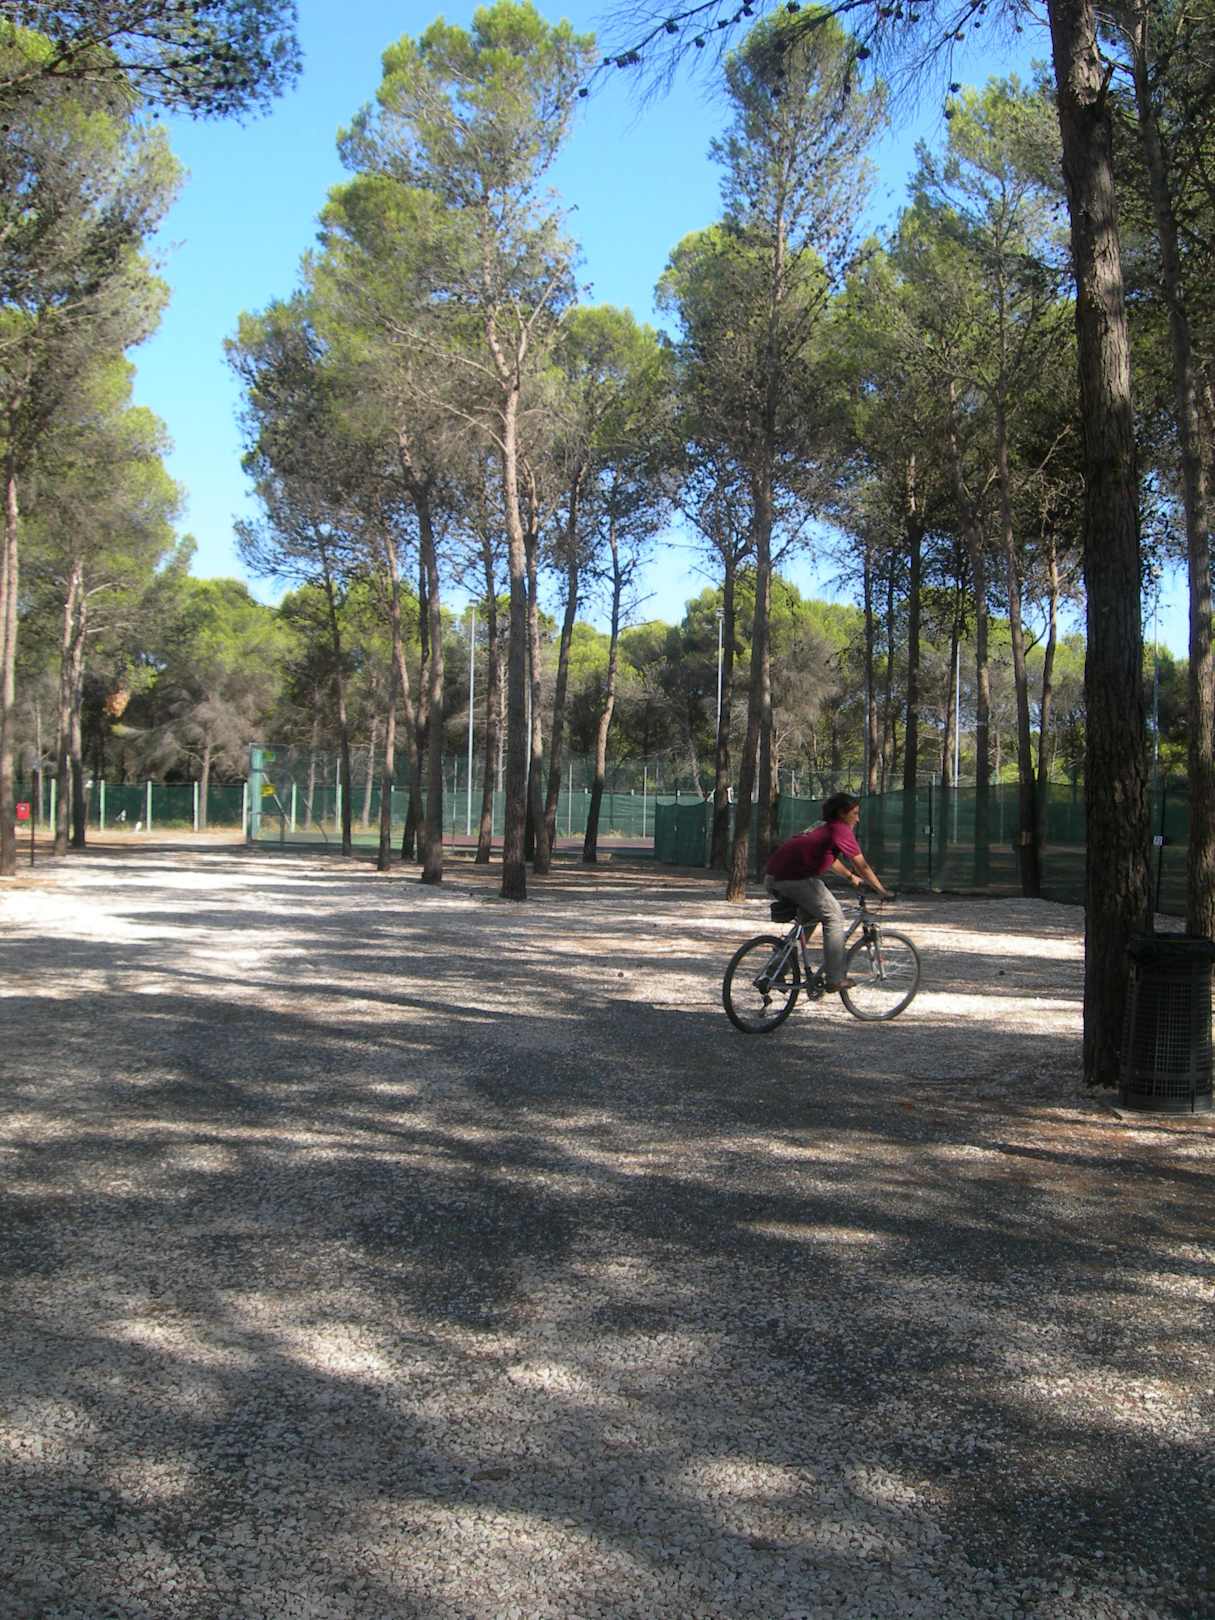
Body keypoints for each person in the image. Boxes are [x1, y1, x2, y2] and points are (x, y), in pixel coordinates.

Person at [764, 792, 893, 991]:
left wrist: (850, 877)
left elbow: (830, 859)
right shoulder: (840, 829)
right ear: (842, 813)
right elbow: (862, 865)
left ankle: (776, 969)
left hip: (774, 877)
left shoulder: (823, 827)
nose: (858, 819)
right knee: (834, 916)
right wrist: (882, 890)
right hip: (793, 879)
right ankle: (835, 978)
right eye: (855, 813)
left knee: (810, 918)